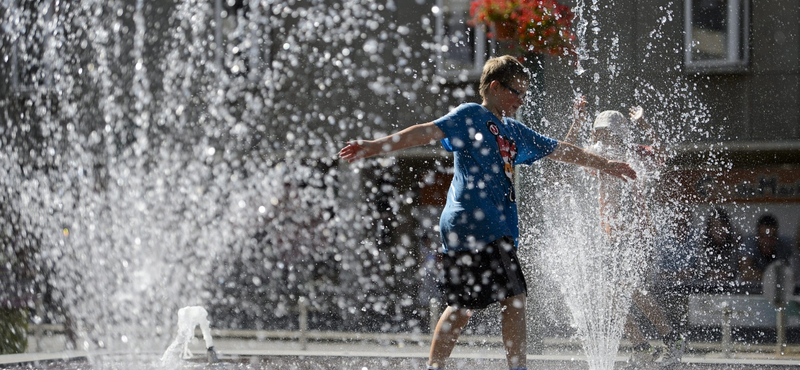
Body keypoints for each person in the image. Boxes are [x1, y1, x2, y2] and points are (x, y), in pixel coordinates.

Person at [339, 55, 636, 370]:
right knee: (515, 298)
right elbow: (427, 131)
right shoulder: (473, 116)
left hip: (470, 227)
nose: (521, 100)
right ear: (495, 87)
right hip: (481, 225)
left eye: (524, 94)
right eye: (516, 93)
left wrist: (604, 164)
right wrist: (376, 147)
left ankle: (435, 367)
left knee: (462, 305)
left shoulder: (513, 130)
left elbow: (558, 149)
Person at [564, 98, 684, 369]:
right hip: (611, 237)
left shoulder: (634, 153)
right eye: (600, 133)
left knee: (630, 290)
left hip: (635, 235)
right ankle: (642, 348)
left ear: (622, 135)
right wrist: (577, 121)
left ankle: (673, 340)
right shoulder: (597, 157)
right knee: (610, 297)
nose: (605, 139)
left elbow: (663, 155)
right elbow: (566, 152)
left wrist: (644, 123)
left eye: (610, 134)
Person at [740, 213, 793, 283]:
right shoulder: (749, 244)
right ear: (757, 236)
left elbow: (794, 275)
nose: (767, 242)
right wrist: (775, 277)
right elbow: (745, 273)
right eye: (763, 237)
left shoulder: (786, 245)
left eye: (771, 237)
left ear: (777, 237)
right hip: (754, 289)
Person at [695, 207, 742, 285]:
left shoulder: (733, 244)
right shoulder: (703, 244)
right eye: (714, 226)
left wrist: (721, 274)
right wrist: (711, 274)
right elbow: (701, 270)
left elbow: (733, 271)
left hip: (730, 287)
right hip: (705, 286)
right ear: (709, 229)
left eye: (721, 226)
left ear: (727, 227)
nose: (718, 230)